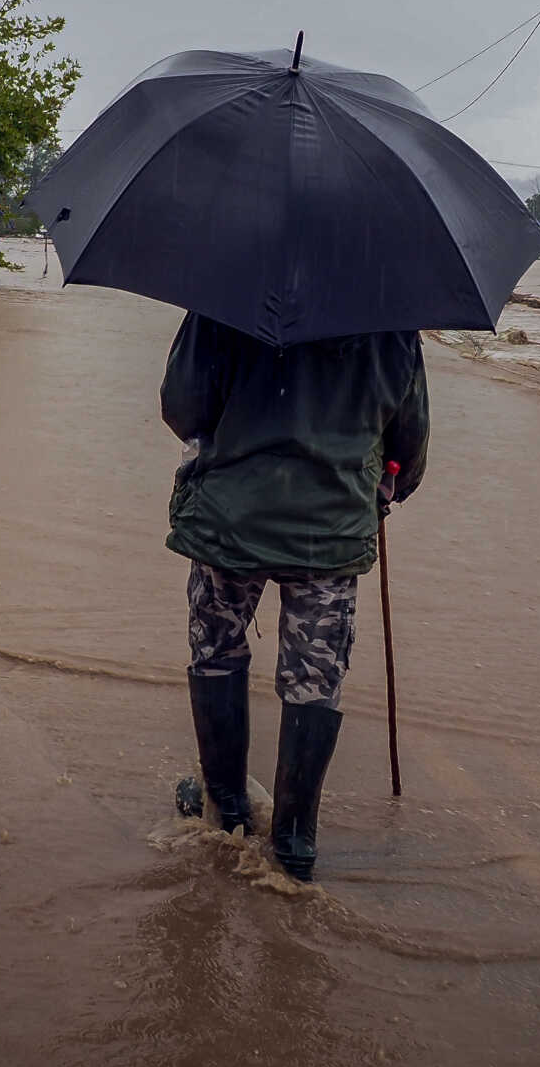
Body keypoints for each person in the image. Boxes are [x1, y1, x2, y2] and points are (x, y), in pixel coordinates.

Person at [161, 313, 428, 881]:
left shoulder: (224, 300)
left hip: (228, 520)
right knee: (315, 679)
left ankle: (226, 808)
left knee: (217, 652)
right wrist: (385, 484)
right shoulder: (391, 317)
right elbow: (408, 439)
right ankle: (293, 845)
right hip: (329, 531)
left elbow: (183, 408)